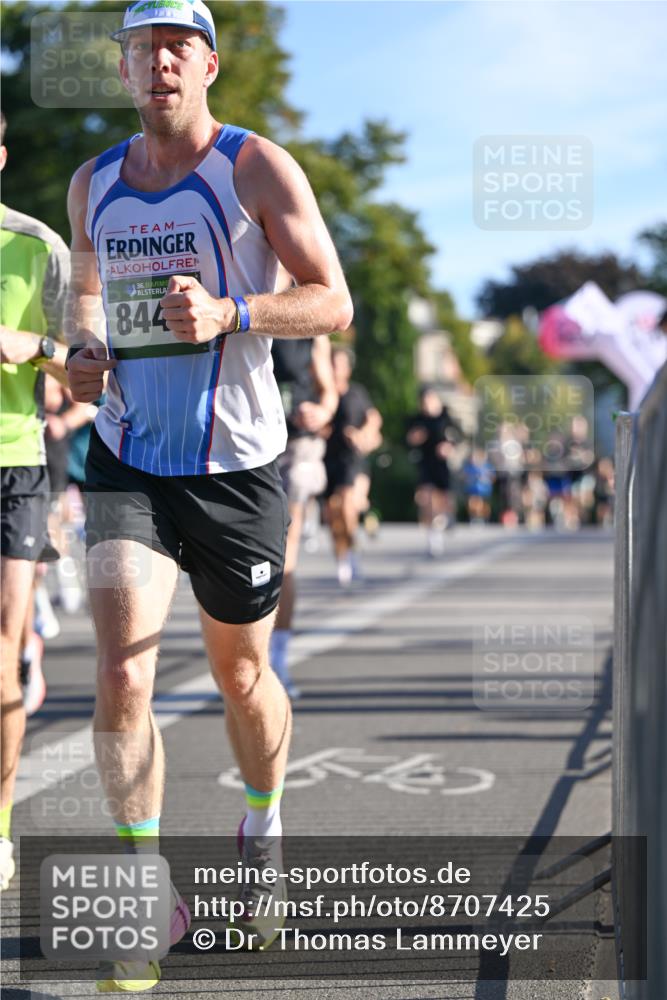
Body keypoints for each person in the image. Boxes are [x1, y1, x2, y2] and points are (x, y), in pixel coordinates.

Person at [65, 1, 352, 989]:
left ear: (209, 65)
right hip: (128, 459)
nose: (159, 64)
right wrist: (82, 355)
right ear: (124, 72)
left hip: (236, 468)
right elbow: (89, 311)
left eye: (177, 48)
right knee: (120, 674)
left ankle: (262, 826)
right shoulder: (91, 183)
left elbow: (331, 299)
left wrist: (234, 309)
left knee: (240, 677)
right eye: (141, 51)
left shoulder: (256, 168)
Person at [0, 110, 70, 891]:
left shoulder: (36, 244)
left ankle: (0, 829)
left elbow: (92, 361)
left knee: (2, 660)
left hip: (11, 466)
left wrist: (37, 348)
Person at [270, 334, 338, 698]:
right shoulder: (233, 296)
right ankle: (243, 654)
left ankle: (277, 659)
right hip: (246, 444)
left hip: (296, 445)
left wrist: (323, 411)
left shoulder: (311, 327)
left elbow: (328, 390)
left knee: (283, 552)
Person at [324, 348, 382, 586]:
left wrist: (363, 434)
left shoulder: (357, 393)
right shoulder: (321, 391)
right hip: (327, 459)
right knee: (332, 515)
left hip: (351, 459)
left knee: (347, 506)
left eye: (341, 365)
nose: (337, 369)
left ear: (347, 368)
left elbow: (374, 418)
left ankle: (352, 552)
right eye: (333, 364)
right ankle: (343, 557)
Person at [406, 387, 461, 556]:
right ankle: (433, 538)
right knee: (427, 499)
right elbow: (406, 439)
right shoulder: (417, 420)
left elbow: (460, 435)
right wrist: (413, 438)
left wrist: (449, 446)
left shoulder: (446, 417)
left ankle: (446, 519)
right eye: (424, 401)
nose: (427, 404)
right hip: (425, 464)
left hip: (442, 465)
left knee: (444, 501)